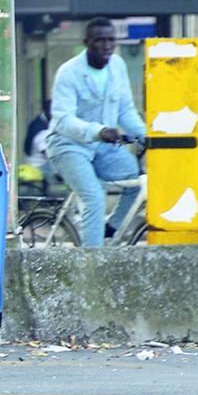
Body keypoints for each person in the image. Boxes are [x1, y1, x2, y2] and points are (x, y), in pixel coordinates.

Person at [45, 17, 145, 247]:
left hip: (104, 146)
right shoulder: (68, 72)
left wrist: (148, 135)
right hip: (67, 146)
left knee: (138, 182)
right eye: (100, 40)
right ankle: (92, 264)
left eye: (111, 40)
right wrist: (98, 131)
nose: (107, 45)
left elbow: (125, 111)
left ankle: (109, 230)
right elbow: (62, 120)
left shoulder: (118, 65)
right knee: (94, 198)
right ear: (86, 42)